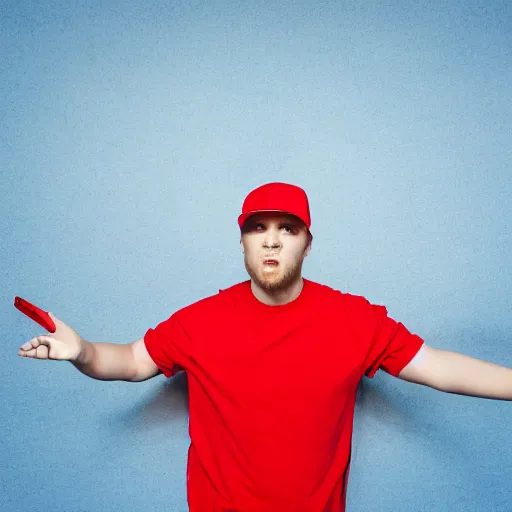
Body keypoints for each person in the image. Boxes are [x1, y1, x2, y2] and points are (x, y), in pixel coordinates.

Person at [18, 182, 512, 512]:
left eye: (286, 230)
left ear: (307, 244)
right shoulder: (200, 321)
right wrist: (81, 351)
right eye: (258, 229)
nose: (271, 242)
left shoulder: (354, 319)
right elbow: (129, 361)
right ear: (242, 243)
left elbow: (438, 367)